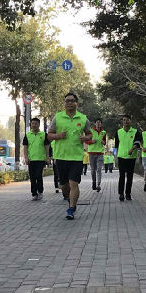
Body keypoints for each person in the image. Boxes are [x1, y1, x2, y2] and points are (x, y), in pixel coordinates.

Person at [48, 91, 93, 220]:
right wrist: (58, 136)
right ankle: (69, 198)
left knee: (74, 183)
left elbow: (89, 134)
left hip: (76, 157)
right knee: (64, 186)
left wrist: (85, 138)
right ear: (64, 103)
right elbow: (49, 135)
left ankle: (71, 208)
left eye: (72, 101)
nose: (69, 103)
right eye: (67, 101)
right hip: (61, 156)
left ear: (76, 103)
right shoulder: (58, 117)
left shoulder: (83, 118)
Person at [115, 114, 142, 201]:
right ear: (122, 122)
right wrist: (115, 155)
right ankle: (121, 194)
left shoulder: (135, 132)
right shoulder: (118, 132)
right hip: (121, 157)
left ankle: (128, 194)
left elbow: (137, 143)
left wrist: (132, 149)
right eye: (124, 120)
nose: (125, 122)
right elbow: (116, 145)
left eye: (127, 120)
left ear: (130, 121)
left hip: (131, 157)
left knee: (130, 176)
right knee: (122, 176)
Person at [22, 117, 50, 200]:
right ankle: (34, 194)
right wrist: (26, 157)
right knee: (32, 177)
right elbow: (25, 147)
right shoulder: (27, 135)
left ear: (39, 125)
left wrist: (47, 157)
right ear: (31, 125)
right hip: (31, 159)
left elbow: (47, 146)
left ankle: (40, 191)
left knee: (38, 175)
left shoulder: (44, 134)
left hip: (41, 159)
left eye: (36, 124)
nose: (34, 125)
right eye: (32, 124)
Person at [87, 118, 106, 191]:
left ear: (101, 124)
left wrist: (104, 142)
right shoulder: (90, 131)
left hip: (100, 153)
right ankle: (94, 182)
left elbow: (105, 142)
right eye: (97, 122)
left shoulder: (103, 132)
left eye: (100, 122)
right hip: (92, 153)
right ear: (95, 123)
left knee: (99, 169)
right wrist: (91, 141)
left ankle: (98, 184)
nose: (98, 123)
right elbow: (86, 141)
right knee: (93, 170)